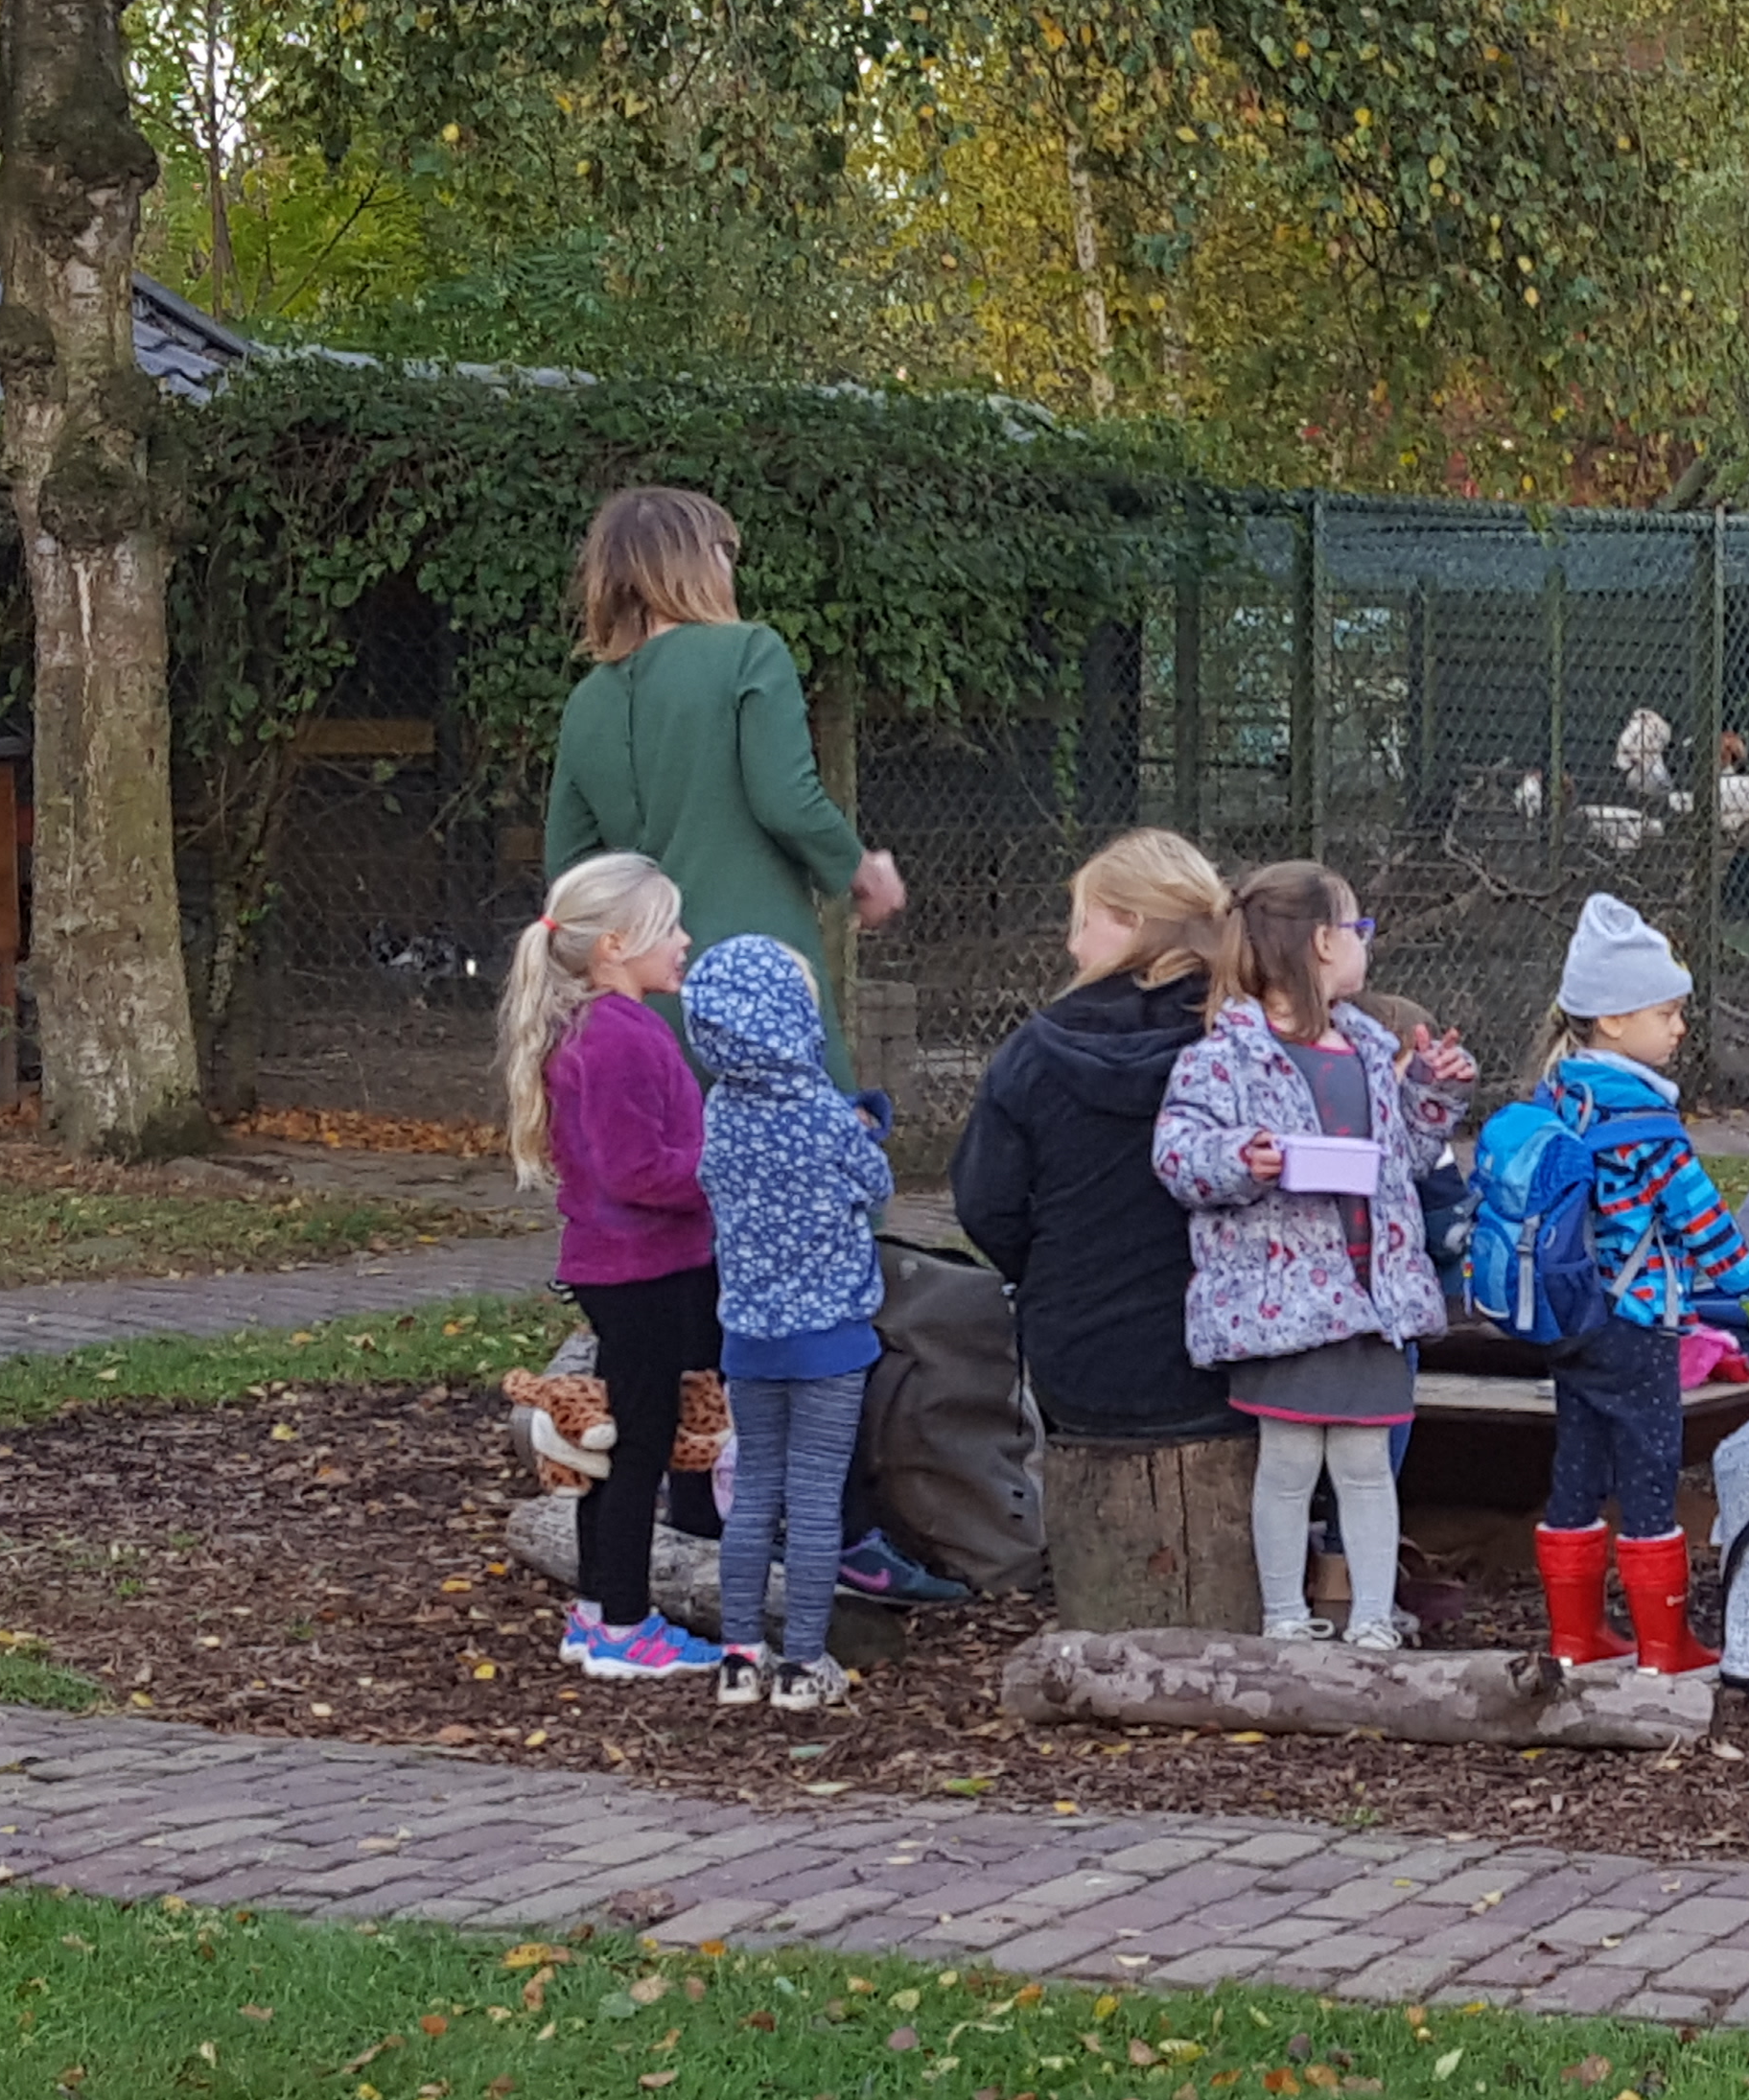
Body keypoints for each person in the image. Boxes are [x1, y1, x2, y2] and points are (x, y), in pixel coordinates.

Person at [1152, 865, 1470, 1645]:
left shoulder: (1370, 1045)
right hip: (1286, 1305)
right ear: (1324, 943)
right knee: (1289, 1463)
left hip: (1373, 1299)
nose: (1368, 945)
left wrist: (1429, 1093)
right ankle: (1285, 1616)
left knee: (1367, 1464)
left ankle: (1370, 1617)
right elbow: (1178, 1152)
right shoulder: (1223, 1054)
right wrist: (1241, 1156)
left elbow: (1404, 1153)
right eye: (1358, 930)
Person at [543, 485, 906, 1076]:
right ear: (697, 561)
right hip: (759, 990)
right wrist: (862, 872)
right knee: (809, 1159)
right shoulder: (750, 652)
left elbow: (572, 866)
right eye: (724, 553)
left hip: (642, 997)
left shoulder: (587, 701)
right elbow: (786, 799)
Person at [1515, 894, 1749, 1680]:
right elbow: (1705, 1226)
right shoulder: (1648, 1126)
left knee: (1576, 1469)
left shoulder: (1557, 1096)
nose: (1680, 1027)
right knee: (1651, 1470)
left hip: (1571, 1321)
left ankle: (1575, 1638)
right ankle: (1664, 1647)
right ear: (1615, 1022)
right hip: (1636, 1323)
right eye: (1666, 1012)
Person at [493, 852, 725, 1684]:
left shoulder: (601, 1028)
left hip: (628, 1267)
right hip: (643, 1270)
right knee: (639, 1445)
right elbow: (637, 1172)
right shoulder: (621, 1037)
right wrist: (723, 1173)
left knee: (620, 1437)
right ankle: (622, 1625)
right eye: (670, 928)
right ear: (616, 945)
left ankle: (602, 1612)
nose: (686, 940)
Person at [950, 830, 1241, 1441]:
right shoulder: (1248, 1042)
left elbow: (984, 1206)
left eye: (1084, 922)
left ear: (1132, 922)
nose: (1072, 945)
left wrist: (1055, 1271)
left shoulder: (1031, 1051)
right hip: (1232, 1360)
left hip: (1077, 1361)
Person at [685, 932, 897, 1709]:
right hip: (830, 1342)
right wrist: (867, 1128)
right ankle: (804, 1664)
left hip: (748, 1338)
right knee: (813, 1500)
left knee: (751, 1496)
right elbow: (874, 1184)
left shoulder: (720, 1109)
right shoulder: (821, 1111)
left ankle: (740, 1656)